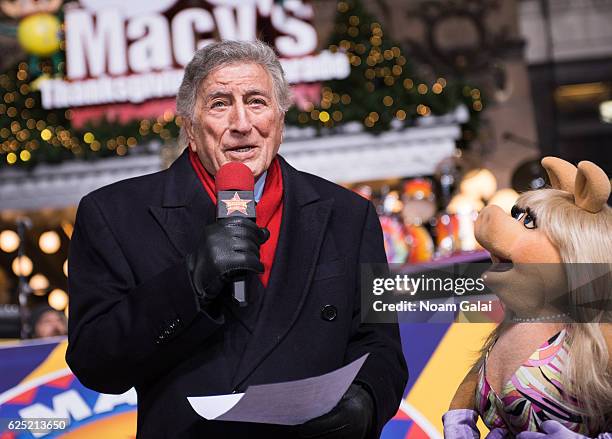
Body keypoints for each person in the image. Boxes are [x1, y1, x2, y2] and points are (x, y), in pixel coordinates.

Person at [66, 40, 407, 438]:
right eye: (220, 103)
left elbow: (383, 347)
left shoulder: (351, 215)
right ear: (191, 129)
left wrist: (364, 401)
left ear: (280, 121)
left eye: (257, 102)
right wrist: (190, 282)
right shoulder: (114, 214)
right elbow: (95, 363)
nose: (242, 123)